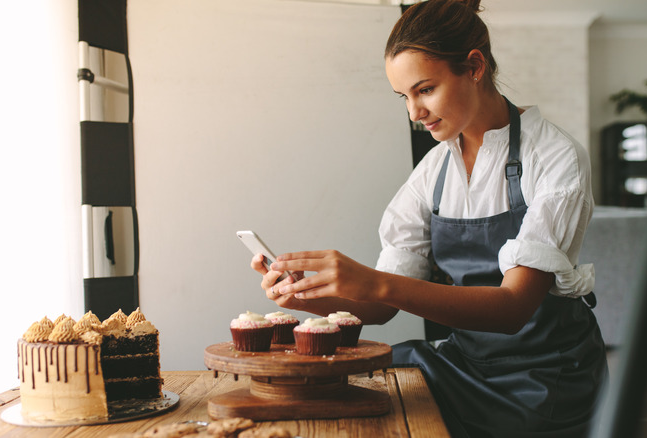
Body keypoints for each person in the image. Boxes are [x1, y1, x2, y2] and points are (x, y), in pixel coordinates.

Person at [251, 0, 607, 436]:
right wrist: (307, 295)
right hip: (463, 362)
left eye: (425, 90)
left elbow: (513, 309)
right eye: (404, 96)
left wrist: (371, 279)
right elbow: (380, 308)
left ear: (474, 67)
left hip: (544, 379)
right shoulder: (434, 171)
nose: (414, 113)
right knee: (342, 388)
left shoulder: (555, 159)